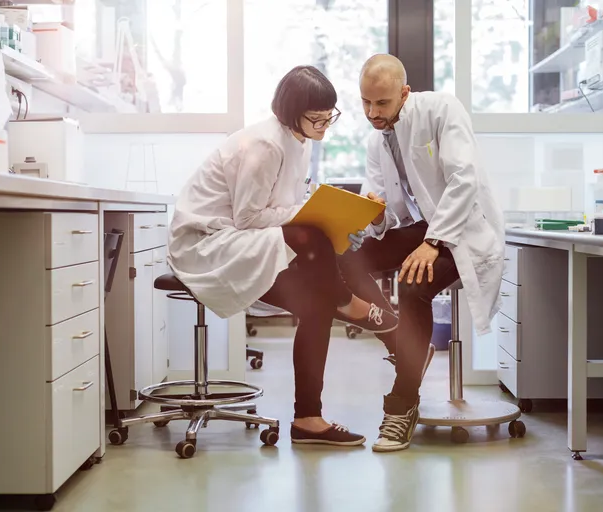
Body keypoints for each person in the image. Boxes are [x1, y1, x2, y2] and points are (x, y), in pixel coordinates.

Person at [168, 65, 398, 447]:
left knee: (317, 300)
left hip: (247, 239)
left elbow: (284, 205)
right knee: (313, 241)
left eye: (330, 117)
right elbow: (248, 217)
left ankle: (308, 418)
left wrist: (333, 213)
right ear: (292, 114)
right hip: (208, 244)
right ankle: (358, 311)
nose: (325, 126)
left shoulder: (299, 139)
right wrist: (313, 216)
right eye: (316, 119)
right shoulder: (265, 145)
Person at [338, 54, 505, 453]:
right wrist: (372, 214)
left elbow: (463, 179)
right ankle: (401, 341)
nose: (372, 113)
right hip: (424, 227)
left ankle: (401, 407)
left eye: (381, 103)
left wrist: (433, 243)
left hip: (463, 230)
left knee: (414, 284)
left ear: (405, 93)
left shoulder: (442, 109)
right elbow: (390, 214)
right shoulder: (377, 140)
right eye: (365, 102)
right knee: (346, 259)